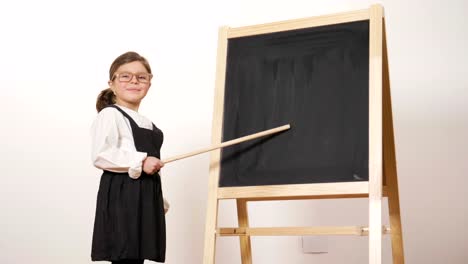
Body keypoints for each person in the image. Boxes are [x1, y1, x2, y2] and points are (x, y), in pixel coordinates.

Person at [91, 51, 168, 264]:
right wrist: (142, 162)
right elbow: (101, 154)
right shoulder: (110, 114)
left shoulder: (146, 121)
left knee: (136, 259)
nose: (134, 80)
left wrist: (156, 197)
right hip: (122, 196)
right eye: (125, 76)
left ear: (149, 84)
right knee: (125, 257)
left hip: (142, 196)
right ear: (112, 82)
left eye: (142, 77)